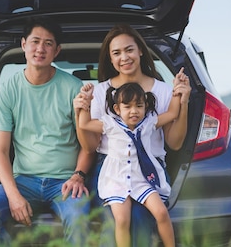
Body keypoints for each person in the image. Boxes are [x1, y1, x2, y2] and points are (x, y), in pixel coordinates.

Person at [0, 20, 95, 246]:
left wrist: (78, 175)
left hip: (65, 182)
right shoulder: (8, 89)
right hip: (24, 182)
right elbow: (0, 151)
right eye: (35, 42)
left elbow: (89, 145)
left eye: (48, 43)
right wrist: (13, 195)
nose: (40, 49)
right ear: (24, 44)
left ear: (56, 51)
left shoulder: (74, 87)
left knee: (78, 223)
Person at [74, 24, 191, 246]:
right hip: (111, 168)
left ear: (140, 51)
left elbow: (175, 143)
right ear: (109, 59)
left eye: (129, 50)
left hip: (149, 169)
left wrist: (182, 103)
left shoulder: (164, 91)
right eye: (116, 53)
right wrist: (80, 108)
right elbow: (89, 145)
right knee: (116, 222)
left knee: (143, 219)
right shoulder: (100, 93)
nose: (124, 57)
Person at [76, 81, 184, 247]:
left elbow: (172, 113)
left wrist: (177, 92)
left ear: (145, 106)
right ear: (118, 109)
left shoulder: (148, 123)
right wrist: (87, 103)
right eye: (127, 107)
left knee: (161, 213)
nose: (134, 111)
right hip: (116, 180)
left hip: (142, 179)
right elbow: (84, 124)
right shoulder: (110, 124)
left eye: (139, 106)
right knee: (122, 220)